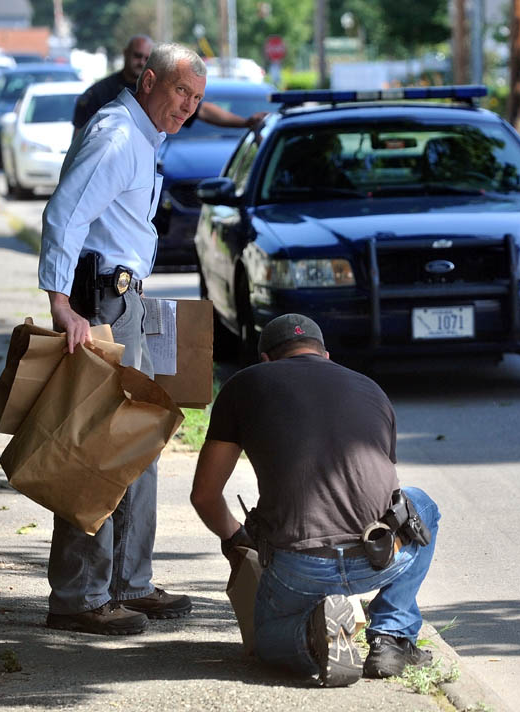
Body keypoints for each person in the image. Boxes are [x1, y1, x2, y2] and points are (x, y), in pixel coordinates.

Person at [38, 42, 207, 636]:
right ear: (149, 78)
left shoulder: (143, 137)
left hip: (125, 297)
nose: (186, 107)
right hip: (99, 299)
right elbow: (65, 213)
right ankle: (80, 597)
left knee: (138, 442)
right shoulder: (116, 133)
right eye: (180, 91)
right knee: (98, 448)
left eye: (195, 99)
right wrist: (61, 303)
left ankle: (127, 584)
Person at [190, 314, 441, 687]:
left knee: (267, 640)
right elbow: (386, 491)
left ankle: (311, 633)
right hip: (379, 555)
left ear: (265, 360)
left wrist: (235, 536)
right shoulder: (370, 388)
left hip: (299, 566)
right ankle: (391, 637)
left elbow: (205, 495)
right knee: (423, 506)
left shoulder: (245, 385)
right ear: (325, 355)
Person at [72, 35, 265, 138]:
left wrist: (245, 122)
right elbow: (80, 142)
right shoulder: (99, 94)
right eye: (137, 56)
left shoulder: (163, 90)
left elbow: (203, 112)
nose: (141, 62)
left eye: (147, 58)